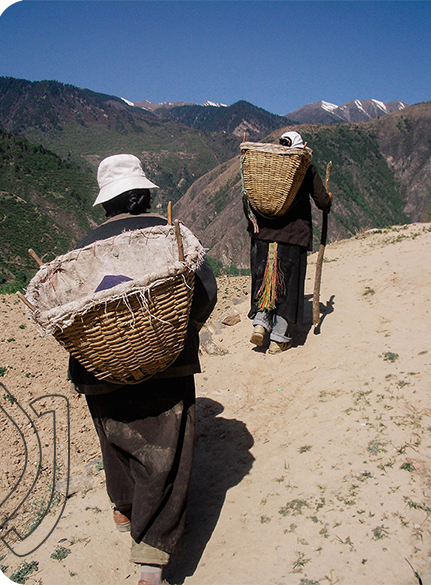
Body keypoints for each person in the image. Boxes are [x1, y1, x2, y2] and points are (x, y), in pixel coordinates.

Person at [68, 154, 217, 585]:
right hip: (165, 364)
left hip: (98, 369)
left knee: (116, 436)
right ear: (146, 194)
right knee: (166, 451)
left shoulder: (82, 249)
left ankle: (125, 508)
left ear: (106, 204)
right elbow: (204, 291)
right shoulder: (170, 237)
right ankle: (152, 557)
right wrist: (177, 331)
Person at [245, 131, 332, 354]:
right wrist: (329, 199)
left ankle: (260, 325)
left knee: (265, 279)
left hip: (264, 234)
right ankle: (278, 338)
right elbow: (322, 202)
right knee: (288, 286)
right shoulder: (305, 168)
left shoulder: (266, 167)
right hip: (293, 236)